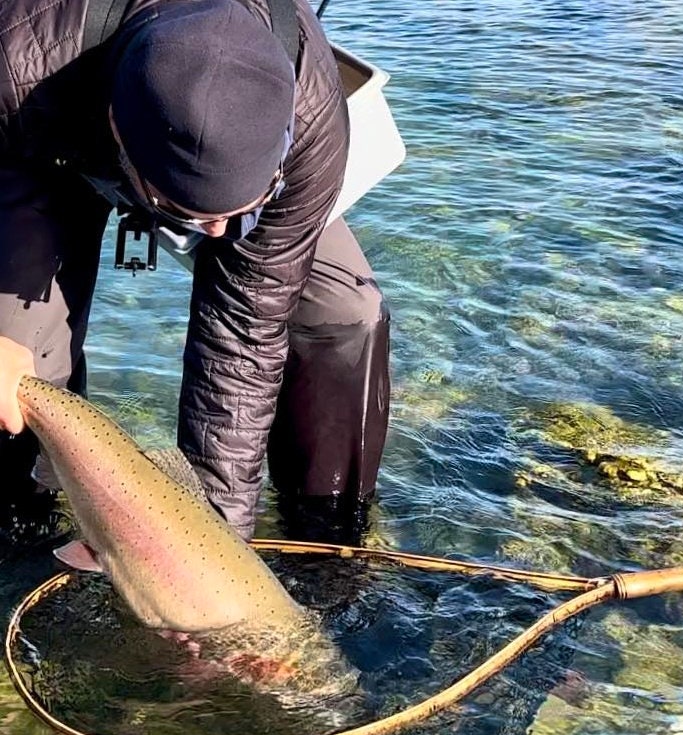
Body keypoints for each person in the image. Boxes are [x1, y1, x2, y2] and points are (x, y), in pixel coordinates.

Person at [0, 0, 391, 546]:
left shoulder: (311, 120)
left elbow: (242, 341)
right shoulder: (19, 51)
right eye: (192, 216)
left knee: (346, 316)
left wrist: (214, 543)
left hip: (255, 151)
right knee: (19, 360)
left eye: (240, 210)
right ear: (117, 136)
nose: (216, 234)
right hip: (38, 138)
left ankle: (325, 535)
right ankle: (22, 522)